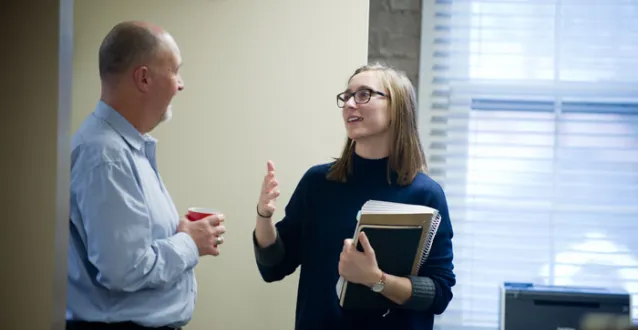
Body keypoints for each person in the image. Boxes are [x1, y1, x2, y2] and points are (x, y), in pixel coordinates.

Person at [252, 63, 455, 330]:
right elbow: (275, 267)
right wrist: (263, 216)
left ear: (397, 108)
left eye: (363, 94)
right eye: (346, 96)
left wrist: (375, 279)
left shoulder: (426, 193)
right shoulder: (318, 183)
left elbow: (439, 293)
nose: (349, 104)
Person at [66, 21, 226, 330]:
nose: (181, 84)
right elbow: (123, 270)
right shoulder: (106, 156)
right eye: (175, 71)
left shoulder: (122, 149)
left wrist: (179, 234)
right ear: (143, 78)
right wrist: (189, 243)